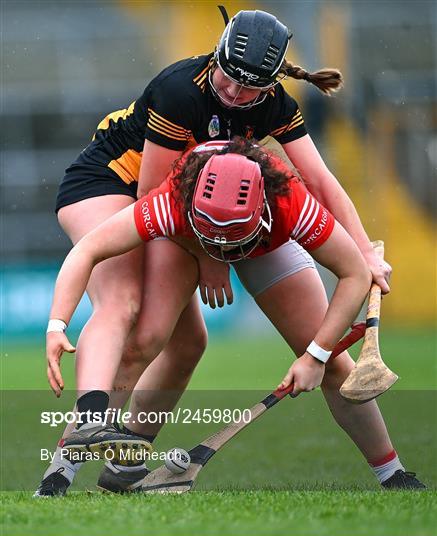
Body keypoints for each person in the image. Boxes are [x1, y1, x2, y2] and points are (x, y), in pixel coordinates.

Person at [35, 9, 396, 495]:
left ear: (270, 85)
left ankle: (394, 474)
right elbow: (151, 194)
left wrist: (364, 256)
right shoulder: (180, 90)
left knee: (198, 344)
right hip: (125, 186)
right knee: (135, 317)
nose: (235, 94)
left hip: (212, 206)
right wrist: (210, 259)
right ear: (218, 52)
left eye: (251, 89)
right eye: (229, 77)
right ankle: (64, 465)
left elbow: (321, 180)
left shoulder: (281, 164)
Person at [38, 139, 425, 498]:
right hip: (186, 240)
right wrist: (58, 325)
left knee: (337, 368)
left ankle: (393, 473)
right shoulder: (169, 202)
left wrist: (316, 355)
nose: (223, 250)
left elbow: (354, 274)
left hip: (264, 244)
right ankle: (61, 472)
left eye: (231, 242)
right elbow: (87, 250)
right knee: (142, 344)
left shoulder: (290, 202)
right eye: (215, 241)